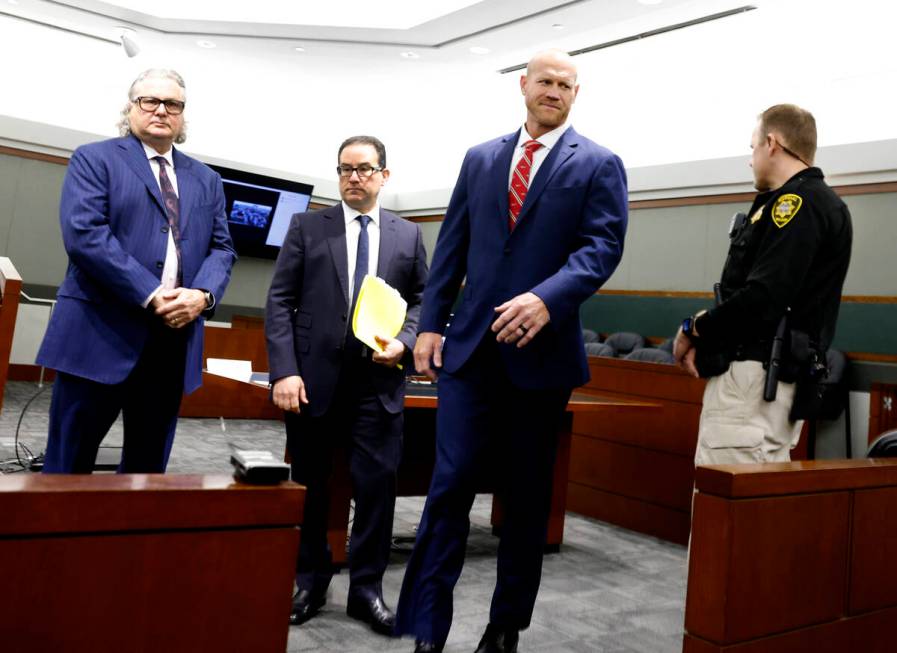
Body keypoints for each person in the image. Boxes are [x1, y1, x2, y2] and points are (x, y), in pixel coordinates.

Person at [395, 50, 628, 653]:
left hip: (542, 356)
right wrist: (429, 324)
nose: (555, 91)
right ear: (523, 86)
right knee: (449, 486)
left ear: (577, 94)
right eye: (546, 81)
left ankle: (505, 629)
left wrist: (548, 300)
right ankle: (427, 626)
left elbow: (600, 249)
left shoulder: (599, 164)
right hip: (469, 355)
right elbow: (452, 246)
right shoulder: (481, 158)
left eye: (566, 85)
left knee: (526, 497)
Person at [265, 135, 428, 634]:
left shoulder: (408, 235)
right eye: (345, 169)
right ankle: (311, 581)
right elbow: (279, 303)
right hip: (313, 382)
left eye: (364, 169)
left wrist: (405, 340)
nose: (354, 177)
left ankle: (367, 591)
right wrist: (285, 371)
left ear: (384, 175)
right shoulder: (307, 226)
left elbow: (424, 300)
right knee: (312, 488)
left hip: (378, 384)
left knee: (377, 490)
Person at [37, 68, 236, 474]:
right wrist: (152, 293)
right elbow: (85, 235)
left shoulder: (207, 179)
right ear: (130, 108)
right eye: (150, 101)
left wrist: (203, 295)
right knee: (67, 465)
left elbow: (222, 248)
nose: (162, 110)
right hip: (97, 335)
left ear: (182, 115)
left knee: (147, 470)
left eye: (173, 104)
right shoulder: (94, 159)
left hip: (170, 343)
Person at [673, 104, 852, 465]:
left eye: (752, 146)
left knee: (721, 512)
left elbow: (763, 298)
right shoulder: (823, 203)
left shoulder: (795, 203)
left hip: (752, 387)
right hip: (772, 383)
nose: (750, 158)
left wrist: (694, 328)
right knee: (756, 513)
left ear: (772, 143)